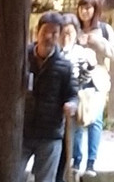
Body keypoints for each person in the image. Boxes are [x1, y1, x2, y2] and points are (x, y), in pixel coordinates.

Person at [22, 11, 78, 182]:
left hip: (50, 134)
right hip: (22, 131)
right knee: (11, 176)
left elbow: (72, 94)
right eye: (45, 31)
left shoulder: (64, 66)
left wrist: (72, 104)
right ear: (37, 31)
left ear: (60, 35)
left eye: (54, 33)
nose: (48, 36)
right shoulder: (22, 58)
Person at [73, 0, 114, 178]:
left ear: (95, 9)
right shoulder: (73, 28)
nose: (85, 11)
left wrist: (96, 41)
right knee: (77, 120)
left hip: (98, 80)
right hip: (76, 79)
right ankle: (77, 159)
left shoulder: (105, 30)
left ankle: (91, 161)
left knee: (96, 121)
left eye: (89, 7)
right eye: (82, 7)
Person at [56, 14, 98, 182]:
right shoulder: (53, 51)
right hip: (53, 104)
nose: (66, 37)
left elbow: (84, 79)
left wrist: (91, 66)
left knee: (70, 141)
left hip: (72, 103)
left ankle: (68, 172)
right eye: (63, 33)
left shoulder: (81, 53)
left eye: (70, 33)